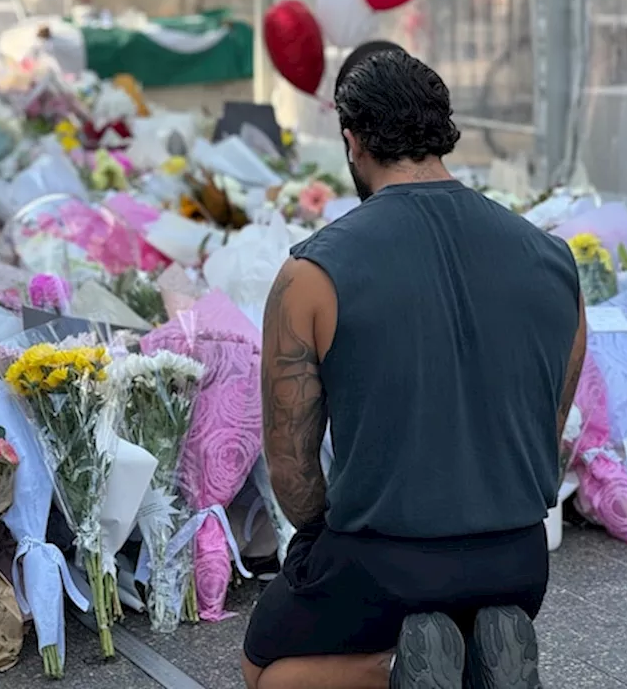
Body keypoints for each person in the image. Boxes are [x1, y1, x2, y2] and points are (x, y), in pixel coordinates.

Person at [241, 50, 586, 689]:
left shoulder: (311, 274)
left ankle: (404, 667)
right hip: (516, 559)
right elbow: (551, 432)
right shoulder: (553, 261)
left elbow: (292, 474)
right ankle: (477, 650)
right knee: (470, 611)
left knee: (266, 671)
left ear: (352, 141)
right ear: (442, 129)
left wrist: (323, 544)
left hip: (384, 562)